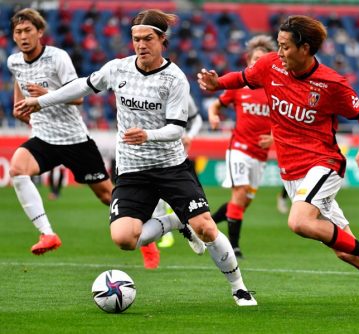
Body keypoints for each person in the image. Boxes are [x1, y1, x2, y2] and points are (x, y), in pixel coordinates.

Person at [197, 15, 359, 315]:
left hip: (323, 164)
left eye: (285, 47)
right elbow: (243, 78)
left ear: (305, 48)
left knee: (298, 222)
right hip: (292, 175)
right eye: (279, 45)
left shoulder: (331, 83)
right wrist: (216, 83)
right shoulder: (270, 65)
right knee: (345, 252)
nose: (280, 52)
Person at [16, 9, 257, 306]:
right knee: (124, 239)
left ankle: (239, 288)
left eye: (148, 38)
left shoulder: (174, 79)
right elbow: (80, 86)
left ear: (162, 40)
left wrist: (147, 135)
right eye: (136, 39)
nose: (141, 44)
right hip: (132, 170)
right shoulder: (118, 69)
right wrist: (39, 101)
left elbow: (175, 130)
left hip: (170, 166)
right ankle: (175, 223)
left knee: (207, 227)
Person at [7, 8, 113, 255]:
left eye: (28, 31)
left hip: (74, 139)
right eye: (18, 32)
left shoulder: (57, 58)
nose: (23, 36)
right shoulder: (13, 61)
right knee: (17, 170)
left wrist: (45, 96)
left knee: (108, 197)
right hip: (43, 138)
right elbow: (19, 81)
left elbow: (78, 98)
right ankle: (48, 234)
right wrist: (18, 105)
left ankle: (154, 222)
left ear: (40, 32)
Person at [208, 35, 275, 258]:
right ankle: (233, 247)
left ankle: (199, 225)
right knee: (239, 194)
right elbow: (216, 105)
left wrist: (274, 137)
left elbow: (285, 121)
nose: (258, 63)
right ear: (248, 60)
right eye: (255, 58)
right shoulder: (239, 86)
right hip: (239, 148)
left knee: (241, 203)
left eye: (263, 60)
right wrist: (214, 117)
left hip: (260, 155)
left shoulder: (275, 90)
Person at [156, 94, 203, 249]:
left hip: (177, 154)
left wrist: (190, 136)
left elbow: (197, 119)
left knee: (186, 195)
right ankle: (167, 235)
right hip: (153, 151)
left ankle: (185, 224)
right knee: (156, 196)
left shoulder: (184, 95)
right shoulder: (147, 92)